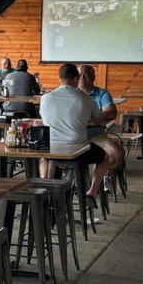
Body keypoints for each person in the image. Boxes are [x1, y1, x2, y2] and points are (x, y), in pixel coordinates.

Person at [40, 64, 108, 196]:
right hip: (78, 150)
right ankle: (92, 192)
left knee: (44, 159)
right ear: (76, 78)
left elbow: (45, 120)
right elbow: (98, 121)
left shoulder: (45, 98)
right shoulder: (85, 98)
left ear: (60, 78)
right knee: (105, 158)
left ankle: (45, 187)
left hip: (52, 148)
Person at [77, 65, 125, 193]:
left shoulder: (102, 94)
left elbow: (111, 112)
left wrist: (90, 116)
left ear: (93, 77)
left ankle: (100, 180)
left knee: (118, 153)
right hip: (74, 135)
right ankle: (69, 182)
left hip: (95, 135)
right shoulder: (71, 93)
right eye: (80, 75)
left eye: (86, 75)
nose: (82, 78)